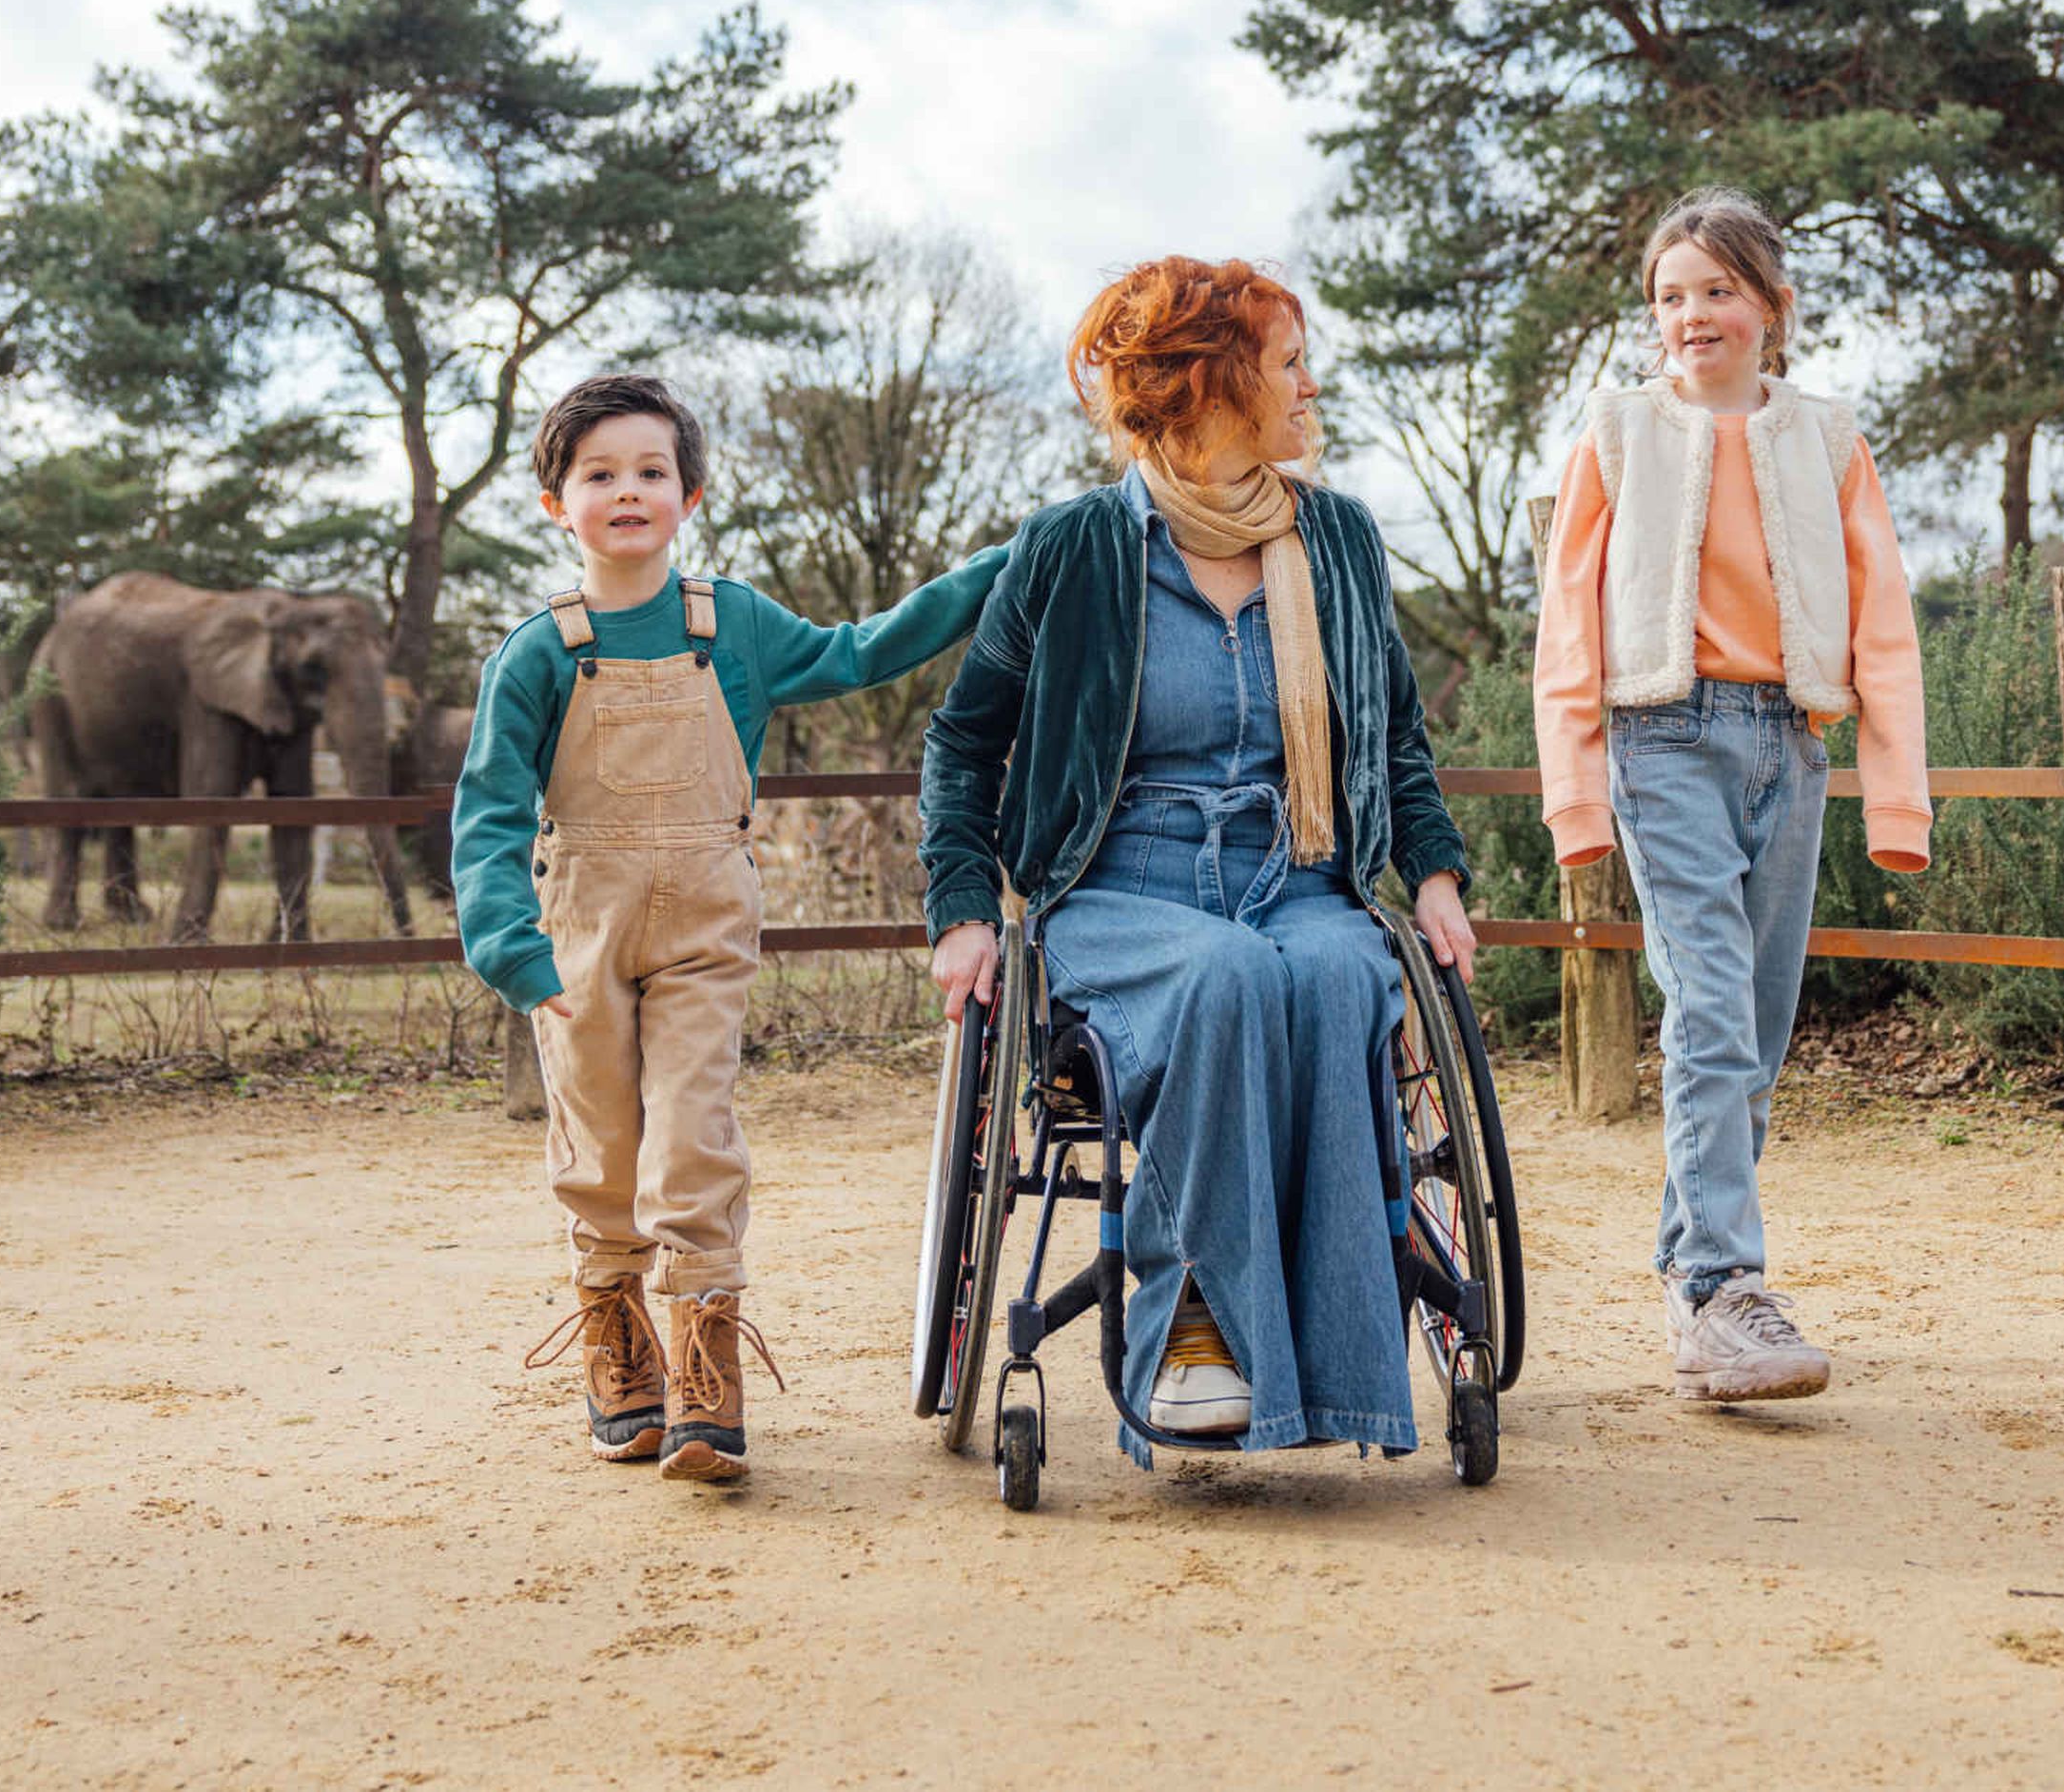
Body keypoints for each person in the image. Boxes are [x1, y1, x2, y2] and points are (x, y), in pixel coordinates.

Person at [922, 258, 1477, 1464]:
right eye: (1286, 363)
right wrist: (962, 904)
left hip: (1302, 870)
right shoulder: (1072, 551)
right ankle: (1194, 1332)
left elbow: (1394, 735)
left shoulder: (1335, 540)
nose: (1308, 383)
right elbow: (964, 742)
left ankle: (1336, 1378)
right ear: (1209, 384)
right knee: (1225, 977)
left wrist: (1433, 871)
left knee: (1336, 981)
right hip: (1125, 886)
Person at [453, 372, 1006, 1485]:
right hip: (579, 938)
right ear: (555, 501)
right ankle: (617, 1338)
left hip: (709, 922)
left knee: (693, 1129)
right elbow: (490, 808)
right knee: (602, 1143)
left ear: (689, 495)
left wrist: (1004, 567)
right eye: (598, 474)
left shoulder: (734, 624)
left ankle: (706, 1362)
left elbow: (863, 651)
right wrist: (510, 942)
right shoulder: (537, 651)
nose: (627, 491)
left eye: (650, 472)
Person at [1530, 189, 1933, 1405]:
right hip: (1663, 742)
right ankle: (1721, 1286)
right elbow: (1566, 623)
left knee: (1750, 1035)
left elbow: (1884, 625)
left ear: (1773, 307)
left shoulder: (1829, 438)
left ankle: (1689, 1275)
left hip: (1790, 746)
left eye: (1716, 291)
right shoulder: (1615, 435)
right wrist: (1576, 794)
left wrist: (1896, 799)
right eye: (1669, 296)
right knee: (1707, 1005)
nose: (1691, 315)